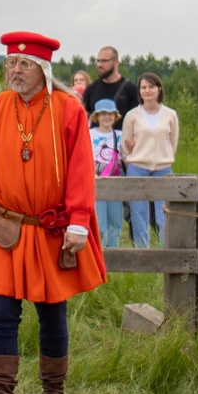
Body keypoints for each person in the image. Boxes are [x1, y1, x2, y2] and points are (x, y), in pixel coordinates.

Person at [0, 32, 106, 394]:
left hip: (49, 230)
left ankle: (54, 393)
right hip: (3, 228)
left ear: (43, 69)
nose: (15, 71)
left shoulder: (69, 110)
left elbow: (81, 170)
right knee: (1, 314)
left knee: (52, 313)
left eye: (24, 64)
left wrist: (79, 222)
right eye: (11, 63)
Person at [118, 73, 180, 246]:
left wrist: (165, 157)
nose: (147, 91)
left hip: (162, 168)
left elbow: (172, 142)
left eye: (151, 87)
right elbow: (125, 144)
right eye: (143, 87)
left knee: (164, 211)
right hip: (137, 167)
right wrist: (131, 154)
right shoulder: (132, 115)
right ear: (139, 91)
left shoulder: (170, 115)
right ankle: (141, 249)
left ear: (159, 89)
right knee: (139, 212)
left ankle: (165, 248)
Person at [90, 97, 126, 242]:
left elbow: (125, 157)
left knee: (116, 222)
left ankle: (114, 250)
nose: (107, 117)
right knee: (99, 222)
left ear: (115, 116)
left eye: (110, 113)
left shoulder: (120, 135)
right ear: (97, 117)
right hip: (96, 182)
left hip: (115, 183)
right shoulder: (89, 134)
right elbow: (84, 156)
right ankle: (102, 251)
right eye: (103, 113)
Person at [80, 46, 140, 126]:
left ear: (116, 61)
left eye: (104, 61)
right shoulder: (91, 89)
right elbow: (83, 118)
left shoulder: (131, 89)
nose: (99, 65)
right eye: (98, 61)